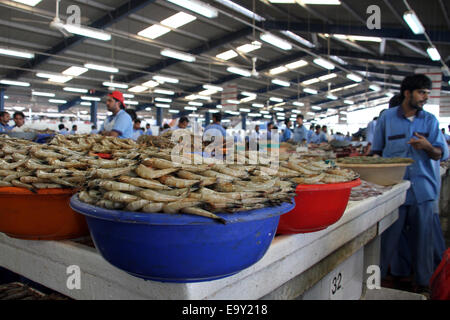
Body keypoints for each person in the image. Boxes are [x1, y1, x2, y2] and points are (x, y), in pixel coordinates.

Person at [373, 74, 449, 295]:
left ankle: (424, 284)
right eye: (421, 92)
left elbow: (438, 154)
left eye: (427, 93)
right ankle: (376, 282)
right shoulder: (387, 118)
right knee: (387, 241)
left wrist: (427, 146)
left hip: (423, 190)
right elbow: (377, 152)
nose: (425, 97)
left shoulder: (430, 121)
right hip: (394, 189)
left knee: (423, 241)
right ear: (407, 93)